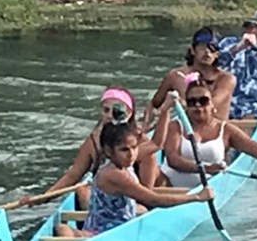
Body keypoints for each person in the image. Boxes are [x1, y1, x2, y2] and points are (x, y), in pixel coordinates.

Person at [55, 121, 214, 238]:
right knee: (62, 229)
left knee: (142, 210)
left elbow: (156, 143)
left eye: (134, 147)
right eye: (124, 150)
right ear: (109, 151)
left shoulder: (124, 164)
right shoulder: (114, 175)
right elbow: (154, 199)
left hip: (116, 226)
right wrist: (196, 197)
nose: (131, 154)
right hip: (104, 234)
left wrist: (165, 109)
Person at [158, 77, 257, 189]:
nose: (198, 106)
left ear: (212, 103)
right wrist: (206, 168)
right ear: (186, 105)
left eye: (203, 101)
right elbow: (173, 160)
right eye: (192, 102)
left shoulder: (225, 130)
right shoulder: (175, 126)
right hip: (169, 186)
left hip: (205, 190)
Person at [33, 85, 171, 210]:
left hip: (136, 198)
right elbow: (72, 176)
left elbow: (146, 192)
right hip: (105, 200)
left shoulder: (137, 142)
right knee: (82, 191)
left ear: (129, 114)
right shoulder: (92, 141)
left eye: (116, 110)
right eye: (106, 110)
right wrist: (43, 198)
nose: (110, 115)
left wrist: (165, 111)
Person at [142, 26, 236, 126]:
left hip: (217, 134)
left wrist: (183, 103)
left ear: (217, 54)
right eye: (202, 47)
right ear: (192, 50)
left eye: (212, 48)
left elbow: (209, 105)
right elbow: (154, 104)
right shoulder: (175, 76)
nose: (207, 52)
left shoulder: (226, 79)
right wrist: (145, 125)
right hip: (185, 133)